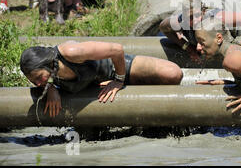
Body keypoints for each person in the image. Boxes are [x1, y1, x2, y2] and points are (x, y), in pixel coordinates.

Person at [20, 40, 183, 117]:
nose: (38, 83)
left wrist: (119, 80)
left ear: (46, 63)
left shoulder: (71, 52)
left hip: (116, 68)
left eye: (39, 78)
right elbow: (41, 82)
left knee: (172, 73)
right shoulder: (44, 77)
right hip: (96, 90)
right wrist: (50, 89)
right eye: (34, 82)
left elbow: (116, 49)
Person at [159, 0, 241, 63]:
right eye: (190, 17)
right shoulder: (180, 21)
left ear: (203, 11)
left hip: (234, 37)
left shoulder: (218, 18)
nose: (195, 21)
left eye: (197, 15)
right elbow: (162, 28)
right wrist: (187, 47)